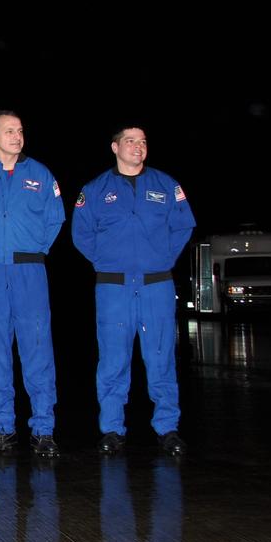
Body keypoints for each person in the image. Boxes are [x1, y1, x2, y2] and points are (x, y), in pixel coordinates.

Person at [72, 126, 195, 456]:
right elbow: (81, 233)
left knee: (160, 358)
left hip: (156, 285)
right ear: (115, 147)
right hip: (114, 289)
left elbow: (183, 225)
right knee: (113, 360)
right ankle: (112, 429)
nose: (137, 147)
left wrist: (163, 258)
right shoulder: (96, 189)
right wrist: (106, 260)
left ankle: (167, 428)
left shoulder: (166, 185)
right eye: (130, 141)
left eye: (142, 142)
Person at [0, 111, 65, 458]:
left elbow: (55, 218)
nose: (17, 136)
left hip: (28, 272)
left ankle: (43, 429)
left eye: (20, 130)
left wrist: (34, 248)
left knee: (37, 348)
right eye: (9, 131)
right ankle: (2, 428)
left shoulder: (40, 174)